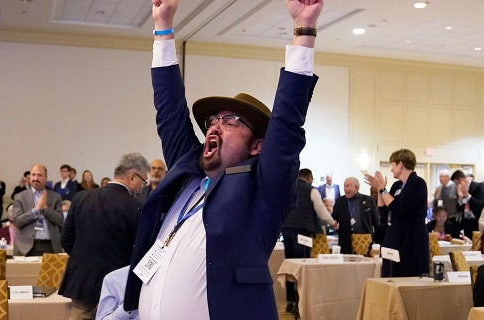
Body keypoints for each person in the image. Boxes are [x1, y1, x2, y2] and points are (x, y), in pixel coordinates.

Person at [124, 1, 323, 318]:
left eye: (231, 122)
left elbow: (287, 123)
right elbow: (170, 112)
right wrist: (163, 27)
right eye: (213, 121)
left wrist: (303, 29)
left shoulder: (262, 193)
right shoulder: (187, 175)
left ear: (257, 146)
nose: (215, 125)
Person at [59, 153, 148, 320]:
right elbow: (138, 251)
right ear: (132, 177)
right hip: (117, 289)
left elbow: (66, 240)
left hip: (82, 283)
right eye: (143, 181)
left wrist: (85, 259)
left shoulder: (81, 198)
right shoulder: (135, 207)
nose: (142, 188)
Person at [364, 148, 429, 277]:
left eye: (393, 165)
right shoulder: (396, 186)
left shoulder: (417, 183)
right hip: (395, 236)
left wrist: (382, 189)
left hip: (411, 239)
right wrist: (380, 189)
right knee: (390, 275)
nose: (391, 169)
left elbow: (401, 209)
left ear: (401, 164)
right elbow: (384, 211)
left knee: (407, 276)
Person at [281, 168, 336, 313]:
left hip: (287, 230)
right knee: (302, 267)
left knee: (290, 266)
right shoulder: (311, 190)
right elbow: (321, 210)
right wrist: (332, 222)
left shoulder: (287, 188)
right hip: (303, 232)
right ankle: (300, 304)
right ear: (310, 177)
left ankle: (290, 302)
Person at [12, 164, 64, 256]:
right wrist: (35, 210)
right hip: (26, 247)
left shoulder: (55, 197)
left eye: (39, 175)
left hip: (50, 246)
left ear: (46, 178)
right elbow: (17, 221)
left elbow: (60, 220)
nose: (36, 178)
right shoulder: (20, 197)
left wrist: (45, 209)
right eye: (33, 175)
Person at [332, 177, 379, 254]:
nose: (345, 188)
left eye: (347, 186)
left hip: (364, 241)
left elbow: (376, 222)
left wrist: (377, 241)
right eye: (344, 186)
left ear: (356, 187)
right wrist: (333, 224)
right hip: (345, 242)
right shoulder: (340, 201)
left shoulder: (368, 200)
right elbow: (334, 219)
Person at [451, 169, 484, 239]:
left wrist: (467, 195)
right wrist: (460, 197)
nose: (456, 186)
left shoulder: (478, 186)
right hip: (466, 222)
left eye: (457, 183)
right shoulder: (459, 189)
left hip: (476, 221)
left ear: (460, 180)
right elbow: (459, 209)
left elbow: (481, 205)